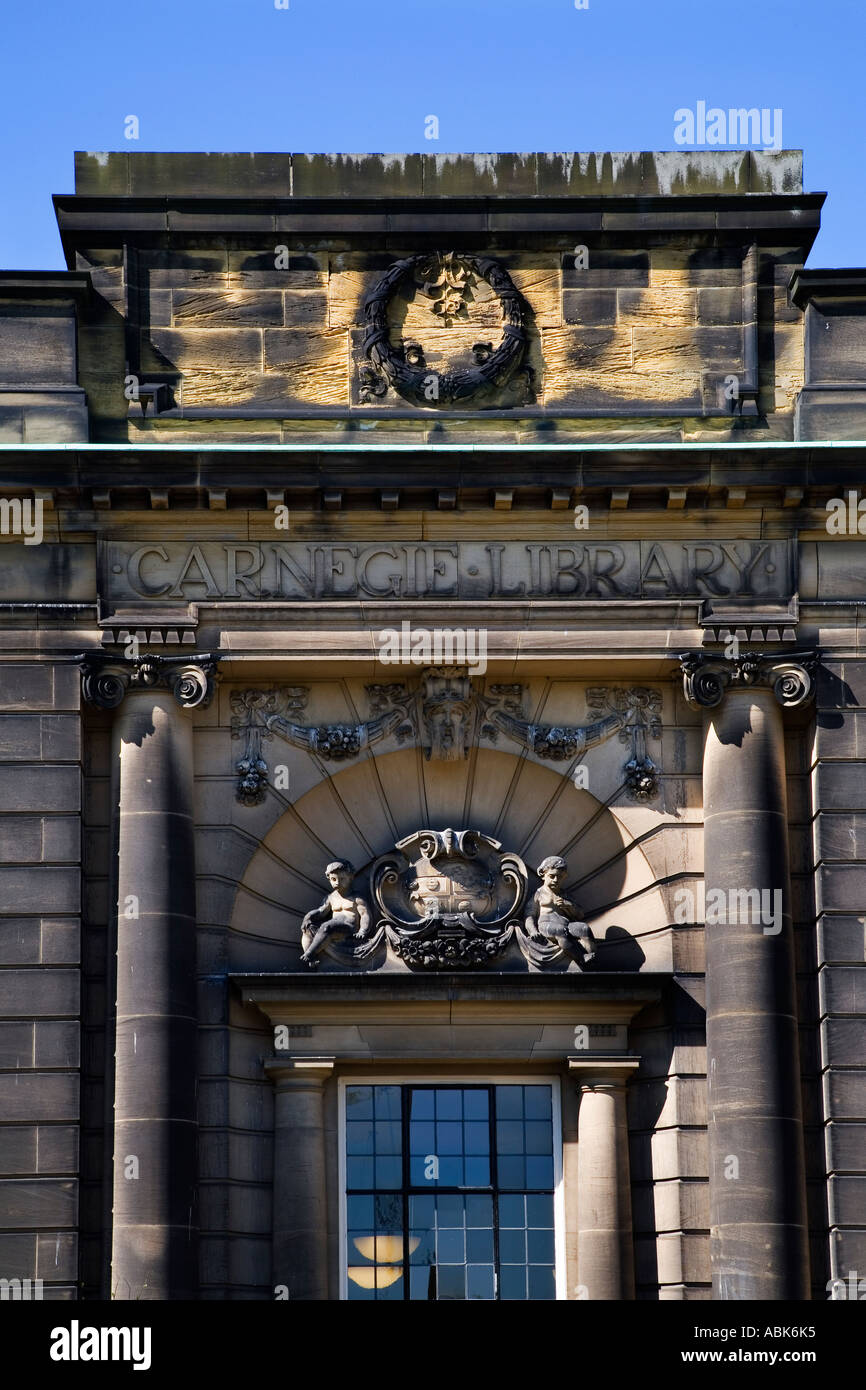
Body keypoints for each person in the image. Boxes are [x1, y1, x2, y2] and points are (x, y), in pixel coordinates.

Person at [525, 855, 596, 961]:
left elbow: (580, 914)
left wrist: (569, 906)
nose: (556, 880)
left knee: (584, 929)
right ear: (543, 875)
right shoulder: (539, 894)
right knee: (560, 931)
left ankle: (592, 959)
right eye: (552, 876)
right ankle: (581, 957)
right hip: (546, 926)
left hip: (566, 924)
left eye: (560, 877)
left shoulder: (565, 895)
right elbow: (529, 915)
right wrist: (533, 931)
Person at [300, 860, 371, 964]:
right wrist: (308, 916)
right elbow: (321, 911)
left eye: (342, 879)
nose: (337, 882)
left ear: (351, 877)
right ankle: (311, 958)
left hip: (348, 928)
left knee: (326, 926)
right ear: (329, 879)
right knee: (307, 928)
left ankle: (309, 953)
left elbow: (365, 915)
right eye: (334, 879)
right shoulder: (330, 897)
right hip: (332, 926)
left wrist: (363, 931)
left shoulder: (357, 898)